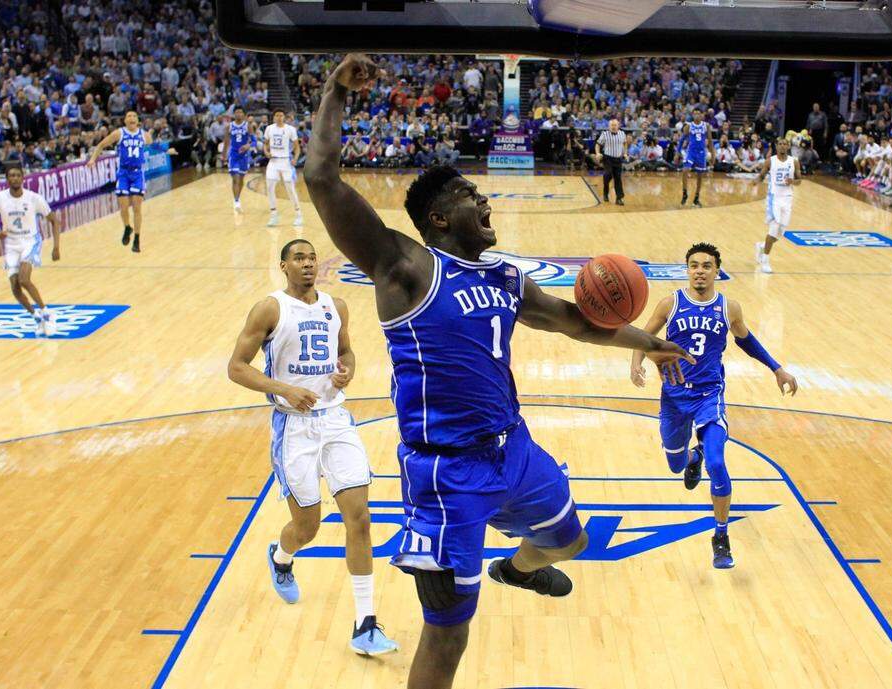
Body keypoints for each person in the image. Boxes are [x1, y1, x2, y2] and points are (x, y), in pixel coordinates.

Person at [302, 54, 691, 689]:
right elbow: (322, 177)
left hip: (514, 449)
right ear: (436, 219)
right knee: (447, 636)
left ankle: (517, 567)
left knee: (571, 544)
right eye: (466, 195)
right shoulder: (405, 268)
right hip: (446, 471)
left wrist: (648, 341)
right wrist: (336, 91)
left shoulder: (507, 277)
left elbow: (574, 320)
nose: (483, 198)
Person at [227, 238, 399, 657]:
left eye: (311, 258)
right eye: (298, 258)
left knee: (359, 518)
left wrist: (347, 373)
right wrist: (283, 388)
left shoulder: (335, 306)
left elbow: (347, 352)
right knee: (308, 528)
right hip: (294, 428)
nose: (307, 264)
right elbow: (236, 368)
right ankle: (282, 556)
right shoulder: (269, 308)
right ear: (283, 265)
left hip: (337, 420)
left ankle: (366, 623)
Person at [630, 243, 798, 568]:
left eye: (707, 266)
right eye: (694, 265)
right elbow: (642, 336)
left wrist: (777, 368)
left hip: (710, 395)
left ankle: (720, 536)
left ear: (717, 271)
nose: (700, 271)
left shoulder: (728, 308)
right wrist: (636, 363)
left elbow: (747, 341)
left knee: (718, 465)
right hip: (675, 397)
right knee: (675, 467)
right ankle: (694, 455)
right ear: (687, 270)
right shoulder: (671, 303)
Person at [0, 166, 61, 336]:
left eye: (17, 175)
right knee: (15, 287)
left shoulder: (34, 198)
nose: (14, 178)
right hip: (10, 243)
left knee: (24, 279)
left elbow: (54, 221)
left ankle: (47, 313)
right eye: (11, 176)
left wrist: (56, 247)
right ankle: (36, 317)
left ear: (23, 178)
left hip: (30, 241)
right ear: (7, 179)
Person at [87, 111, 151, 252]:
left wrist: (166, 150)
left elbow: (154, 146)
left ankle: (137, 239)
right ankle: (127, 227)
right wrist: (93, 159)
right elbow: (101, 145)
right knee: (123, 207)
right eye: (129, 116)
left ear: (138, 120)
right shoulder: (119, 133)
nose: (132, 118)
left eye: (134, 116)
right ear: (125, 121)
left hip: (137, 174)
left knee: (137, 208)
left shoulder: (144, 135)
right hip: (123, 173)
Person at [754, 138, 800, 274]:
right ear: (776, 146)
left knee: (781, 232)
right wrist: (754, 182)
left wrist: (793, 181)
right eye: (780, 144)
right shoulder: (770, 161)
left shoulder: (794, 161)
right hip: (774, 198)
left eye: (785, 144)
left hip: (788, 198)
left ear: (788, 146)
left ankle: (762, 246)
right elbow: (761, 176)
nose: (782, 146)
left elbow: (799, 180)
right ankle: (765, 260)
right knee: (774, 228)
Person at [263, 110, 303, 227]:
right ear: (274, 117)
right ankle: (274, 214)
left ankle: (298, 214)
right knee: (270, 187)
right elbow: (265, 144)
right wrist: (266, 152)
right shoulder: (269, 129)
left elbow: (297, 147)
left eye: (281, 115)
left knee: (290, 189)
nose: (279, 117)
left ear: (284, 117)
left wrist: (295, 158)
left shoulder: (290, 129)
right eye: (277, 115)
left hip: (286, 161)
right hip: (273, 161)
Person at [224, 107, 255, 212]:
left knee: (241, 179)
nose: (238, 114)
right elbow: (226, 142)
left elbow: (254, 141)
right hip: (233, 154)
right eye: (236, 112)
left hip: (244, 156)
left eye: (240, 112)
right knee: (235, 178)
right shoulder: (229, 126)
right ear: (234, 114)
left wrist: (248, 145)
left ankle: (237, 198)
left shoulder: (248, 126)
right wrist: (224, 154)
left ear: (243, 114)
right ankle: (236, 201)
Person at [679, 109, 712, 206]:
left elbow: (710, 141)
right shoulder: (688, 126)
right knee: (685, 170)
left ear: (702, 115)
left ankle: (696, 198)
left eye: (699, 113)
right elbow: (681, 140)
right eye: (695, 113)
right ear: (692, 115)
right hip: (691, 152)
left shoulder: (706, 126)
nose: (697, 115)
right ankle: (685, 193)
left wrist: (713, 155)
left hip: (701, 153)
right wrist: (677, 152)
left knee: (700, 176)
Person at [595, 118, 627, 205]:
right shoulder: (604, 134)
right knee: (607, 174)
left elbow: (625, 143)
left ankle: (619, 198)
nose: (613, 127)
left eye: (615, 125)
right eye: (611, 125)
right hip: (608, 158)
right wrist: (597, 153)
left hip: (618, 159)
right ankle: (605, 193)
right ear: (609, 126)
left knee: (618, 178)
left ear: (618, 126)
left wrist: (625, 153)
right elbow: (598, 144)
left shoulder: (622, 134)